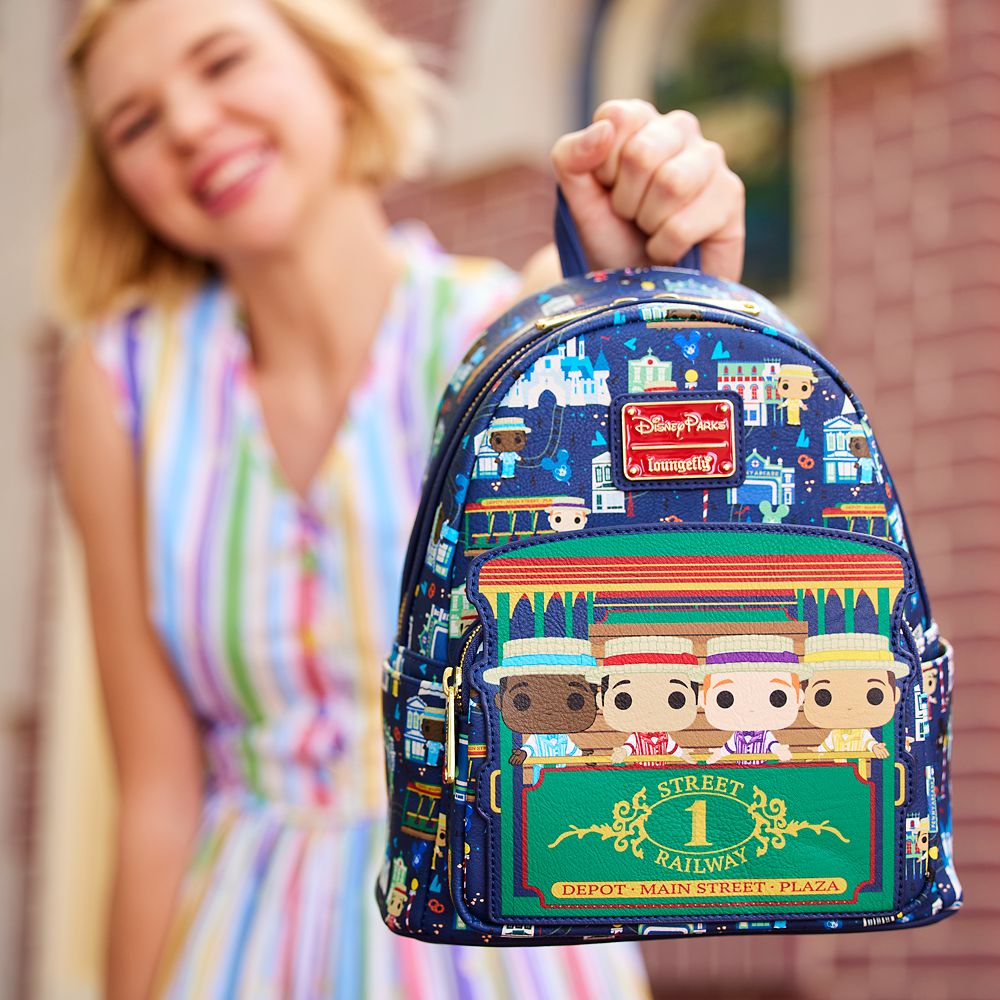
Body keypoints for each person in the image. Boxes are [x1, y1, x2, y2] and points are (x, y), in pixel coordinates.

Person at [53, 0, 745, 997]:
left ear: (333, 72)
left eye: (221, 62)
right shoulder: (120, 382)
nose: (191, 125)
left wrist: (666, 298)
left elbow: (667, 625)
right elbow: (158, 792)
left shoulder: (516, 329)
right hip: (239, 953)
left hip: (511, 947)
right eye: (135, 122)